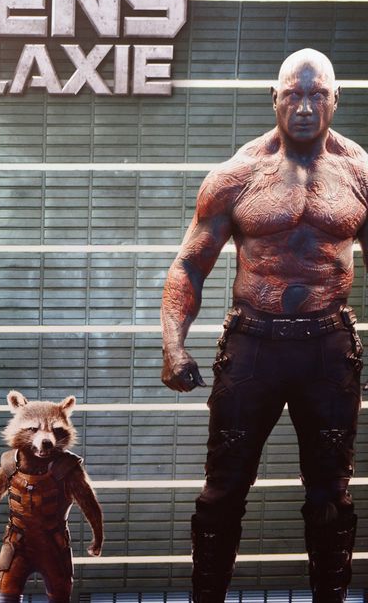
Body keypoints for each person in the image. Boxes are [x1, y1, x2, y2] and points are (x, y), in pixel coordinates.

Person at [160, 49, 363, 602]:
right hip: (253, 346)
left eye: (316, 95)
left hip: (328, 349)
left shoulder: (360, 174)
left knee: (331, 494)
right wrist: (173, 346)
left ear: (336, 98)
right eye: (293, 95)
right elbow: (189, 264)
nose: (305, 107)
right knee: (222, 490)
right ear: (274, 98)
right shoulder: (239, 174)